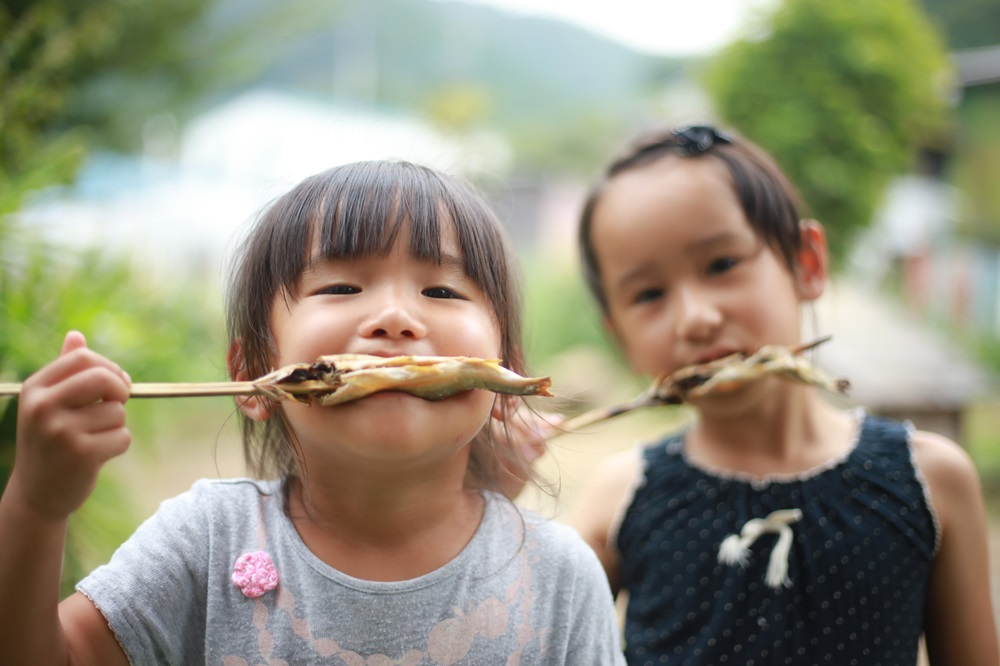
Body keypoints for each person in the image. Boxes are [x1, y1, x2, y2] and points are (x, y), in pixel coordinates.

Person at [0, 160, 626, 665]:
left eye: (441, 291)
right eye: (340, 288)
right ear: (251, 377)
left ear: (506, 380)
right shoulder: (205, 542)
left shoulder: (557, 577)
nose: (396, 318)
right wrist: (35, 505)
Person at [567, 124, 999, 665]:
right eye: (649, 294)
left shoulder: (930, 481)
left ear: (807, 263)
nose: (696, 318)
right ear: (619, 335)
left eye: (722, 264)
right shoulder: (623, 496)